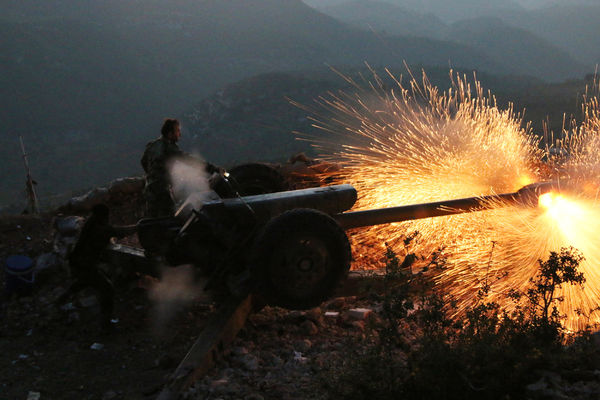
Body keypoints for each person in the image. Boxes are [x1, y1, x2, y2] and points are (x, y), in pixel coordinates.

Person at [56, 204, 135, 332]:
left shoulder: (90, 224)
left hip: (77, 264)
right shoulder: (100, 229)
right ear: (104, 216)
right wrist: (138, 227)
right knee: (107, 289)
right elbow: (119, 231)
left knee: (84, 281)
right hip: (84, 265)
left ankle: (61, 300)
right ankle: (106, 325)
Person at [141, 118, 219, 217]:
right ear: (170, 133)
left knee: (154, 220)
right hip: (162, 191)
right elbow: (188, 160)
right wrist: (213, 169)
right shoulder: (168, 147)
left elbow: (143, 162)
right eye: (177, 131)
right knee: (171, 220)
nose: (179, 134)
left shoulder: (152, 146)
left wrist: (152, 176)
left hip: (149, 190)